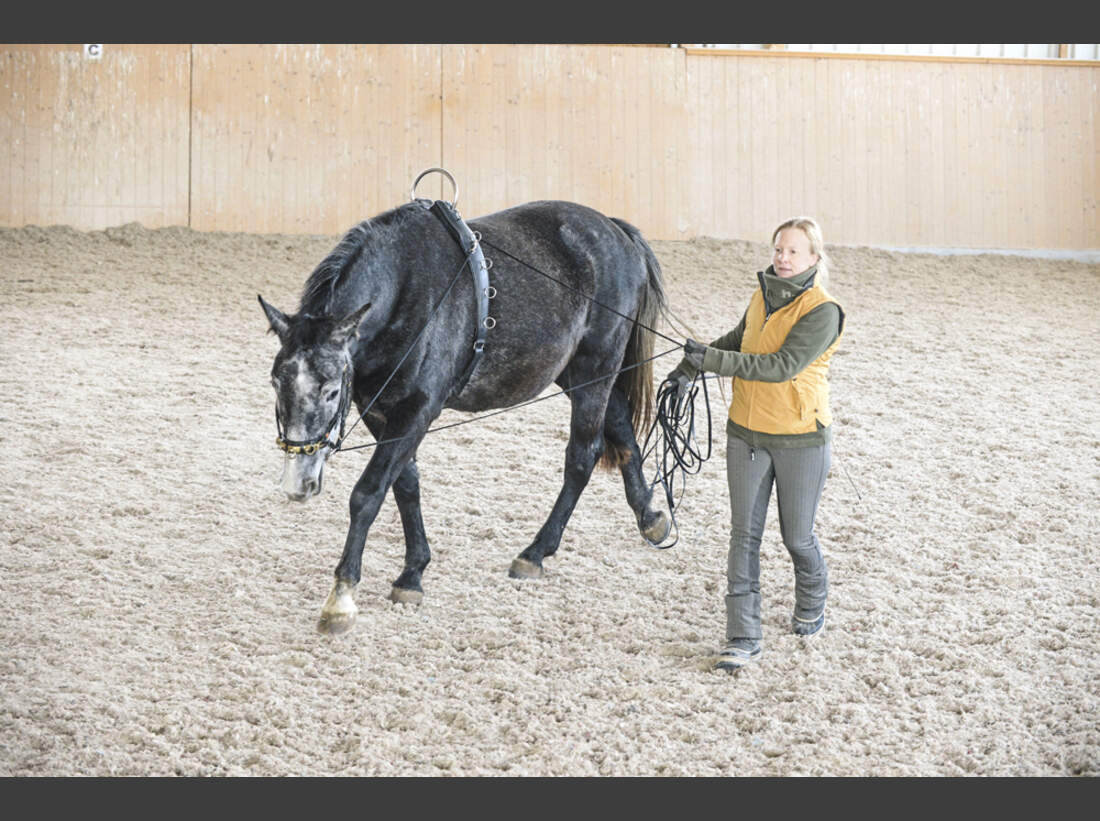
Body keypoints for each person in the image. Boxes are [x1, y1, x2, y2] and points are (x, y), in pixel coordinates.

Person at [665, 216, 845, 672]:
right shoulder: (761, 294)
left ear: (814, 259)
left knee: (796, 536)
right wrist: (692, 366)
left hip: (801, 440)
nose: (782, 259)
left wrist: (713, 360)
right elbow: (739, 341)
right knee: (743, 535)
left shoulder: (823, 312)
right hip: (746, 433)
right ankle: (742, 635)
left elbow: (781, 365)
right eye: (778, 249)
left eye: (793, 252)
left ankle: (812, 601)